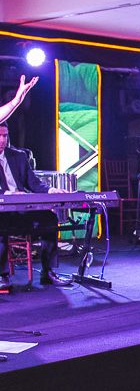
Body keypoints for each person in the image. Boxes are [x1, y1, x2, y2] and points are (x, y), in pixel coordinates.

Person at [0, 122, 71, 290]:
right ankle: (2, 276)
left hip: (21, 211)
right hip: (2, 212)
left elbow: (34, 183)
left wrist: (51, 190)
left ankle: (48, 272)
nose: (2, 140)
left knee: (49, 218)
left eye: (5, 135)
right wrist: (9, 194)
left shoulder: (19, 156)